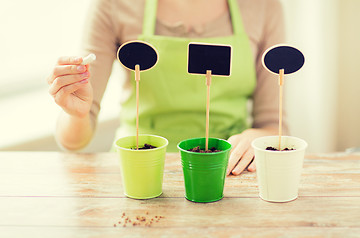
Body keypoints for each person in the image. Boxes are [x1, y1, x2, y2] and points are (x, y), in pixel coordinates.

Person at [47, 0, 287, 175]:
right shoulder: (112, 5)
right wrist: (76, 113)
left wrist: (256, 137)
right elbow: (74, 142)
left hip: (227, 169)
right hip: (137, 165)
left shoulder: (264, 6)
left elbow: (274, 125)